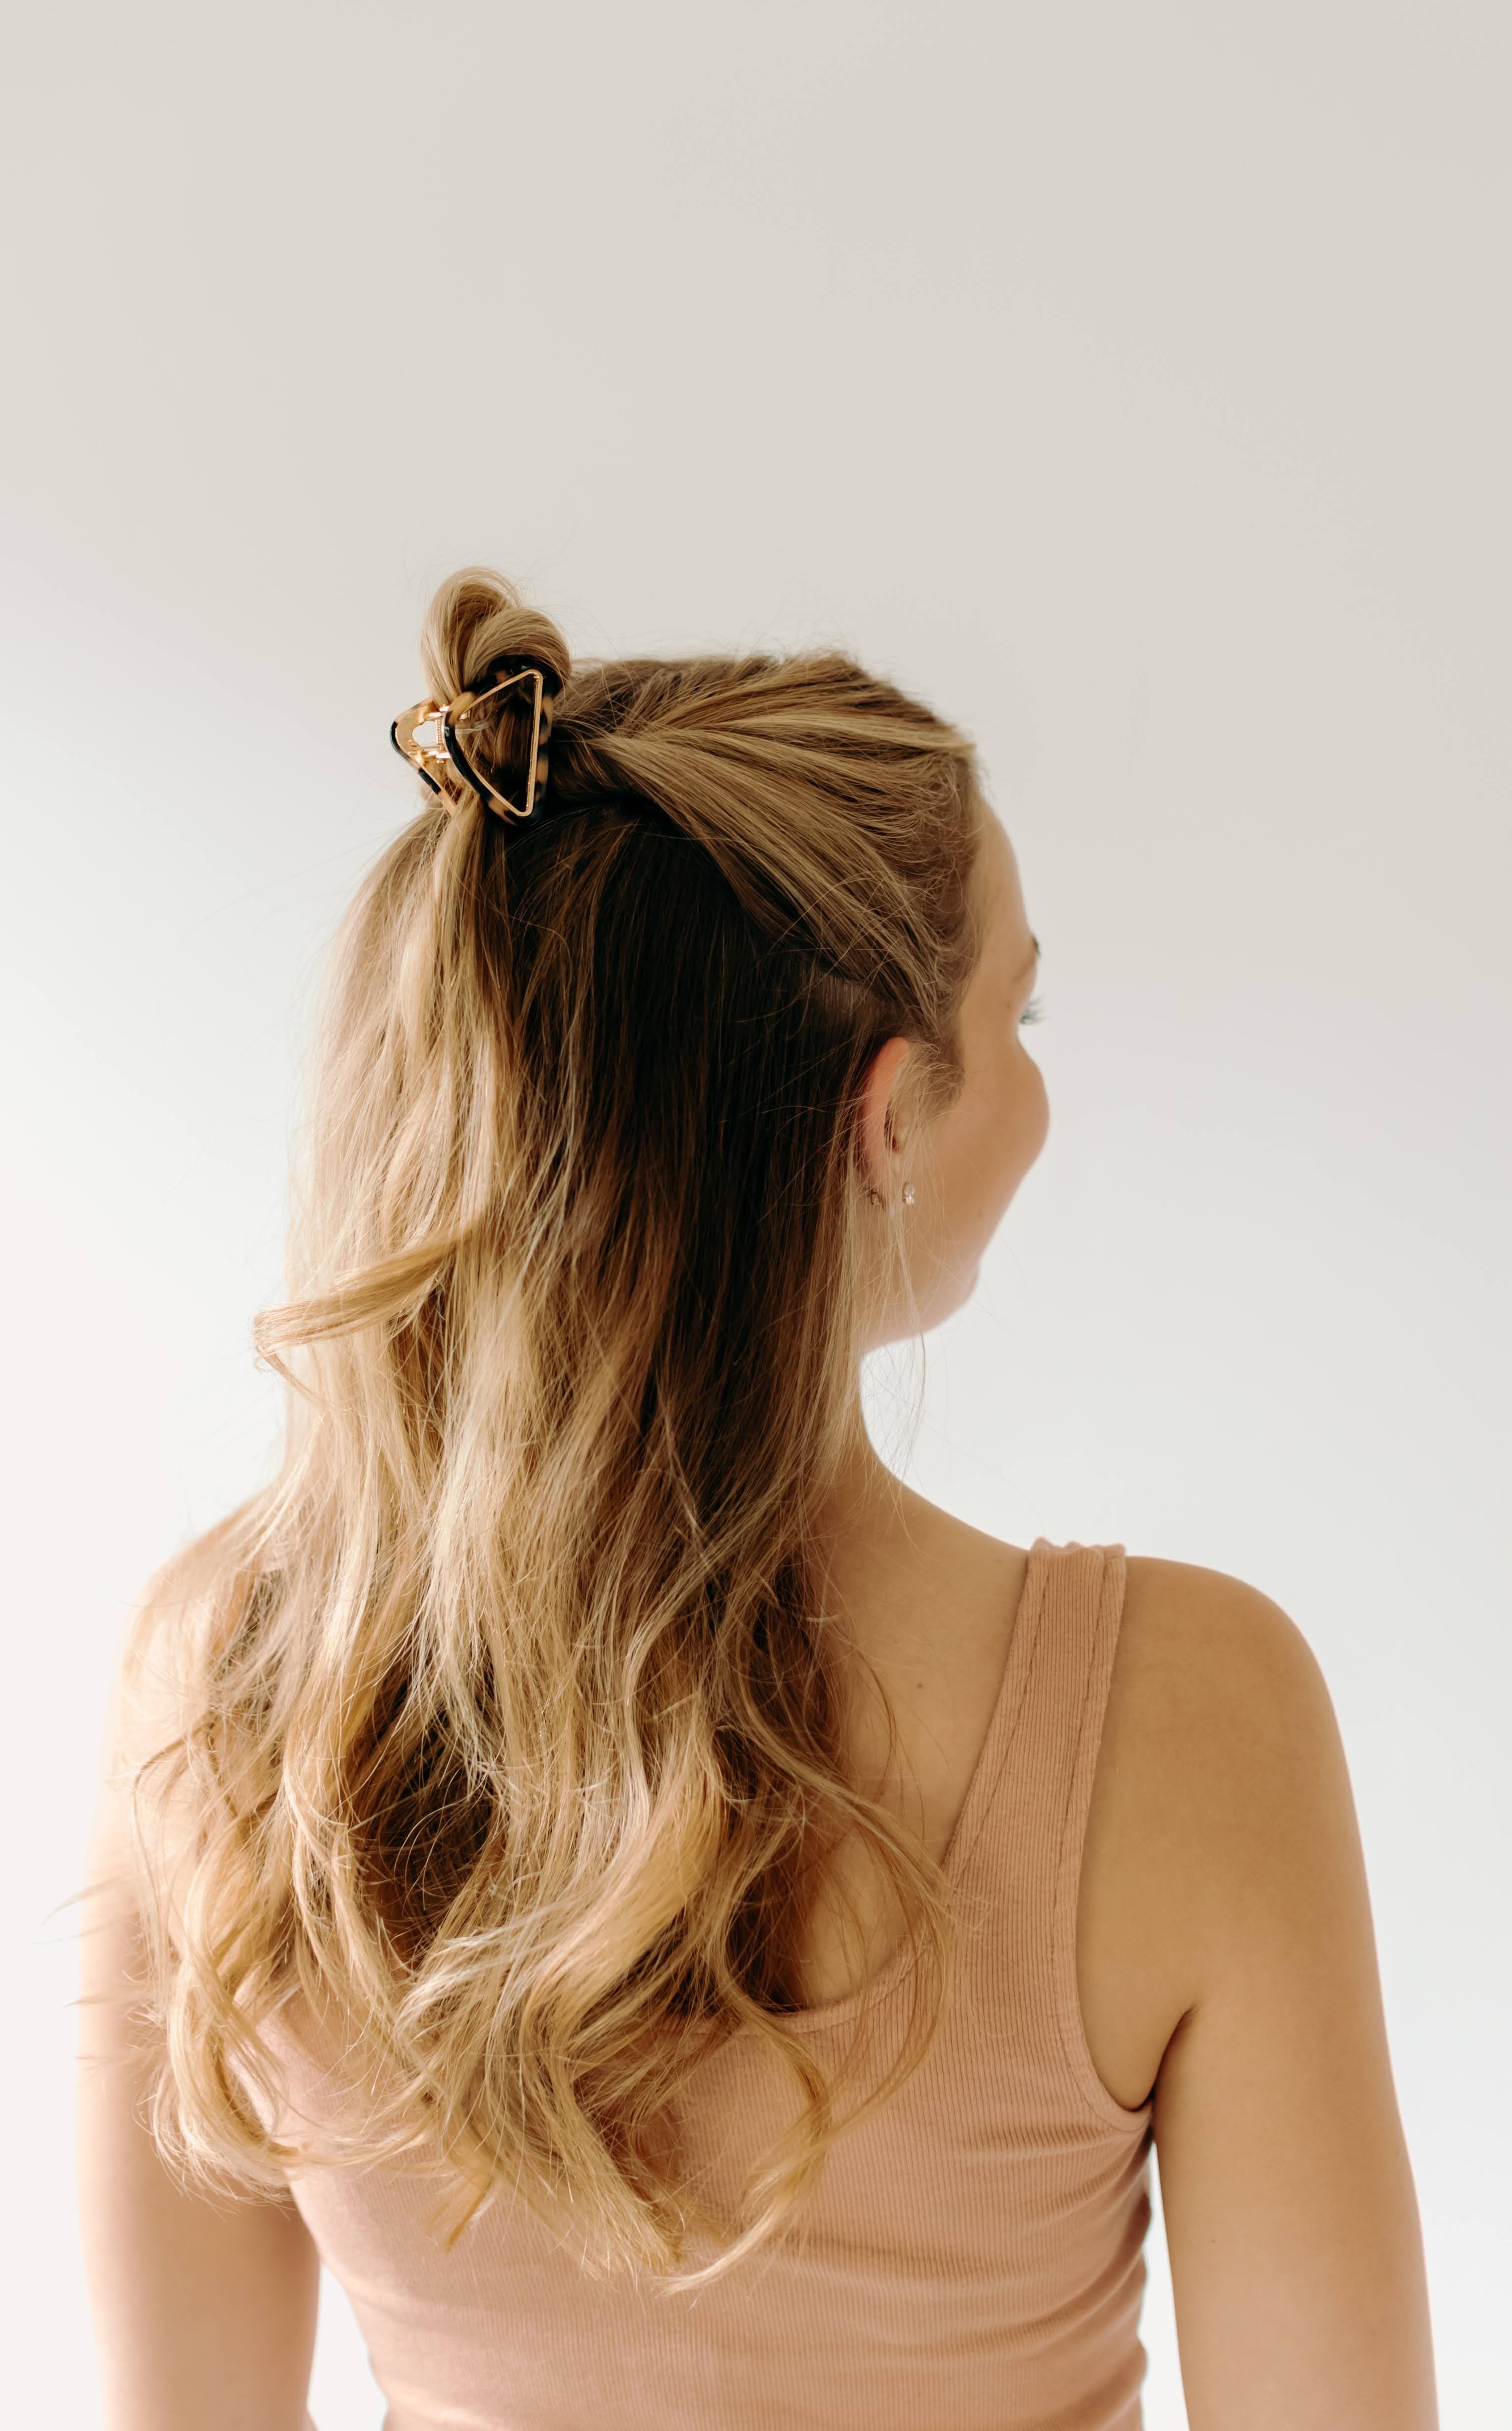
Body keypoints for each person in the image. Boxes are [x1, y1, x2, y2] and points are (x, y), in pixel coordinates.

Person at [76, 569, 1438, 2430]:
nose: (1036, 1091)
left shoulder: (225, 1680)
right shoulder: (1196, 1712)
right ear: (884, 1118)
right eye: (1021, 1016)